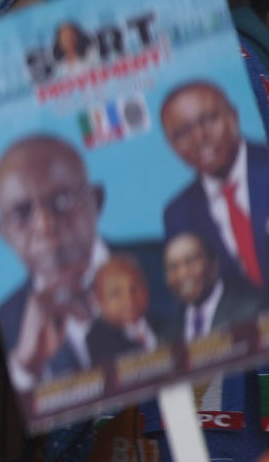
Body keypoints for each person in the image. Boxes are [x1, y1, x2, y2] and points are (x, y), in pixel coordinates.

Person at [0, 135, 154, 394]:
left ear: (96, 201)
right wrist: (26, 369)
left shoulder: (174, 266)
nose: (45, 225)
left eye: (63, 199)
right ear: (5, 233)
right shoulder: (3, 326)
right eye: (22, 213)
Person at [159, 81, 269, 290]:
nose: (200, 137)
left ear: (234, 116)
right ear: (171, 145)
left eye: (209, 119)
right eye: (183, 132)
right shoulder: (178, 214)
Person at [163, 232, 259, 343]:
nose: (183, 274)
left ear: (214, 265)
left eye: (191, 261)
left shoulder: (251, 312)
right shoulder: (168, 335)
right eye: (173, 267)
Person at [83, 254, 159, 366]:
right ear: (98, 300)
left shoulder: (162, 324)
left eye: (135, 287)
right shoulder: (98, 341)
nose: (129, 300)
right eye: (116, 293)